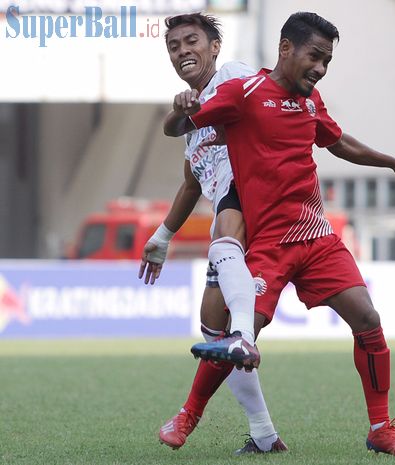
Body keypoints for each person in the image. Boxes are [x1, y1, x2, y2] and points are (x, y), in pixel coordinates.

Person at [165, 11, 395, 458]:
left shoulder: (311, 102)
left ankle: (381, 428)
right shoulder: (243, 93)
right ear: (285, 49)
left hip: (318, 239)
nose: (320, 68)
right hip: (268, 245)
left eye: (327, 60)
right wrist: (181, 113)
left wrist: (394, 163)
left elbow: (338, 142)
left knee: (367, 320)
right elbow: (177, 128)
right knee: (238, 338)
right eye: (315, 56)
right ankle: (188, 415)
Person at [139, 13, 286, 454]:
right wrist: (161, 238)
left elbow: (264, 103)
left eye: (191, 41)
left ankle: (188, 414)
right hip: (229, 211)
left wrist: (192, 115)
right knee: (212, 333)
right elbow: (190, 183)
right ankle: (263, 435)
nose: (182, 50)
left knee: (229, 335)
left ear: (214, 47)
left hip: (258, 205)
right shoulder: (192, 117)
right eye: (173, 46)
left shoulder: (235, 75)